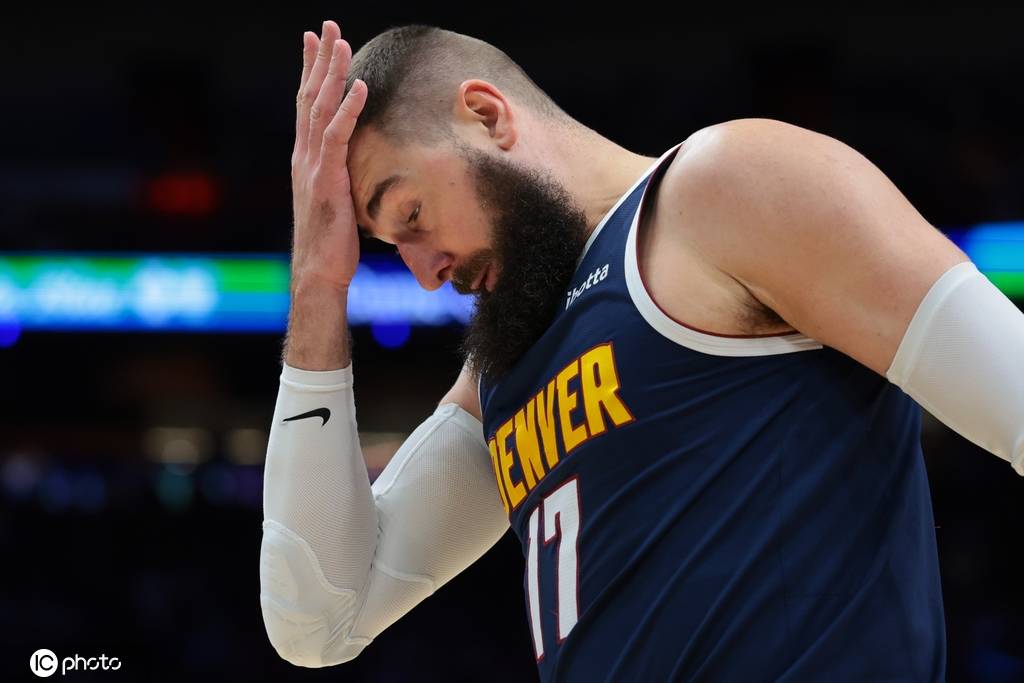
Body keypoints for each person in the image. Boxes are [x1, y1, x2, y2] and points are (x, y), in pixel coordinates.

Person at [259, 20, 1024, 682]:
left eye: (411, 214)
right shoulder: (502, 371)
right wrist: (317, 281)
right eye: (392, 245)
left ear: (486, 116)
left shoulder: (725, 187)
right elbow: (319, 619)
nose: (426, 273)